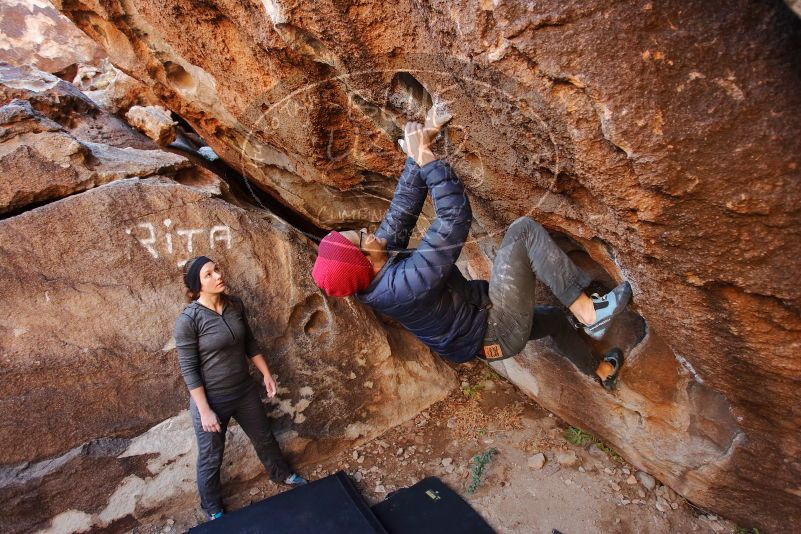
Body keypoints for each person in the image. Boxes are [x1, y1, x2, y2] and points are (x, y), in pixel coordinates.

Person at [311, 106, 632, 388]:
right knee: (523, 232)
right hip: (495, 330)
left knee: (554, 320)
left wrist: (423, 142)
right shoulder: (403, 288)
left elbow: (401, 210)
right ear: (365, 262)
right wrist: (425, 157)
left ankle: (602, 372)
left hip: (484, 330)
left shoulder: (377, 271)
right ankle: (589, 313)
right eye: (362, 238)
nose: (370, 232)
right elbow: (453, 219)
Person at [174, 256, 307, 521]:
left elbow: (251, 345)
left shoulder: (235, 305)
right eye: (208, 275)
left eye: (217, 270)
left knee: (264, 437)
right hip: (211, 400)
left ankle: (282, 475)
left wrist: (266, 374)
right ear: (197, 286)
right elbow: (188, 370)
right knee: (211, 457)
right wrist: (205, 411)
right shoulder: (188, 321)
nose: (218, 276)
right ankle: (212, 508)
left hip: (244, 391)